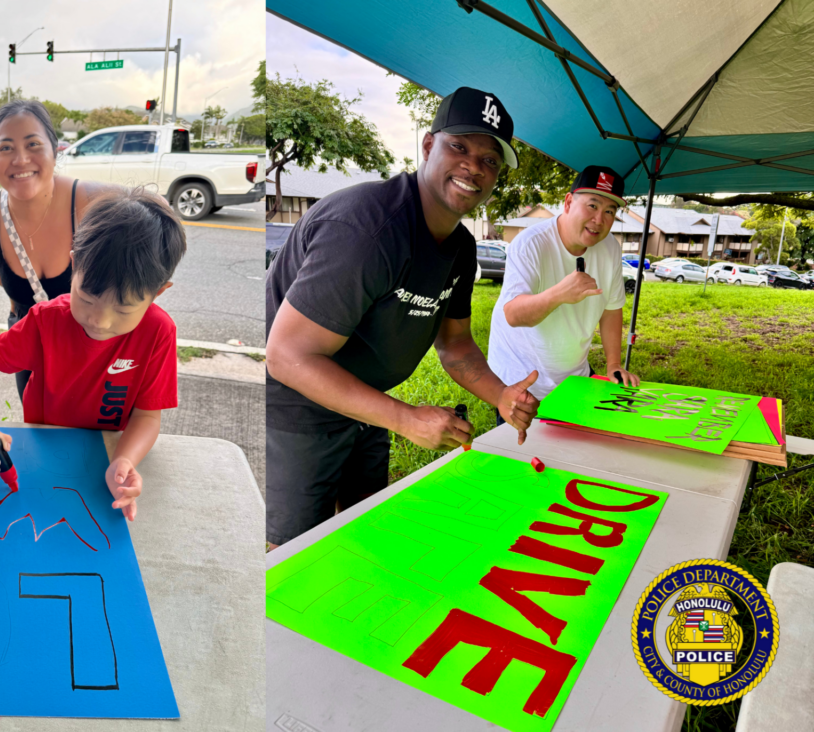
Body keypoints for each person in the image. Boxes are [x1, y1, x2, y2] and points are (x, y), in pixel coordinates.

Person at [265, 87, 540, 548]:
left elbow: (455, 344)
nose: (474, 167)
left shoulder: (461, 247)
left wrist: (501, 395)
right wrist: (406, 418)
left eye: (490, 160)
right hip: (298, 402)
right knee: (295, 550)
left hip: (368, 398)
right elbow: (287, 356)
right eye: (459, 147)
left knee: (362, 527)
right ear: (428, 146)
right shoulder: (366, 230)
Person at [0, 189, 187, 522]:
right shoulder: (46, 320)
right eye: (88, 298)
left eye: (123, 309)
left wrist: (124, 460)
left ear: (158, 292)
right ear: (75, 264)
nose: (100, 320)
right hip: (43, 447)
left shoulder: (158, 332)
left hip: (109, 448)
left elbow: (147, 417)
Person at [0, 100, 110, 404]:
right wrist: (9, 281)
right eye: (5, 148)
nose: (20, 159)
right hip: (31, 355)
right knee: (38, 426)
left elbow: (159, 215)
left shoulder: (90, 200)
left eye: (33, 144)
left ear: (55, 150)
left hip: (95, 351)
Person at [486, 165, 640, 416]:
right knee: (522, 443)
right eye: (592, 205)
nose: (599, 219)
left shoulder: (610, 247)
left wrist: (613, 364)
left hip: (574, 378)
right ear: (568, 202)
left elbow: (611, 309)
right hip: (520, 380)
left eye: (609, 211)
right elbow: (513, 315)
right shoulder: (531, 243)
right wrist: (559, 294)